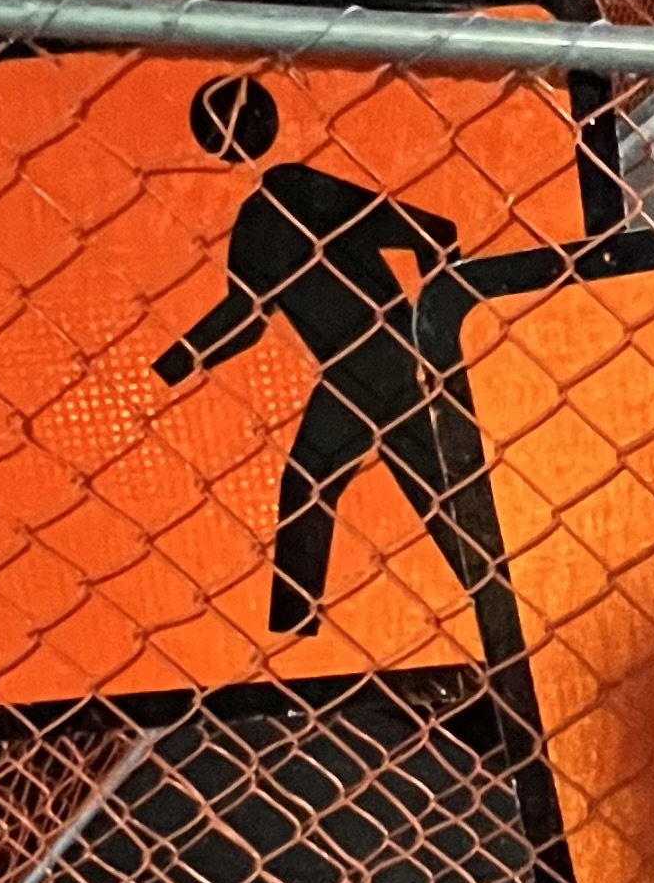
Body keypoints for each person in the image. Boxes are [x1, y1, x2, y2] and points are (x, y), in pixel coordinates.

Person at [152, 76, 474, 636]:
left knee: (316, 481)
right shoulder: (259, 220)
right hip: (358, 363)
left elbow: (421, 229)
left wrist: (443, 325)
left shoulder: (293, 190)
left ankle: (295, 628)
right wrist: (176, 361)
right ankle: (490, 592)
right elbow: (248, 319)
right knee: (420, 485)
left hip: (377, 355)